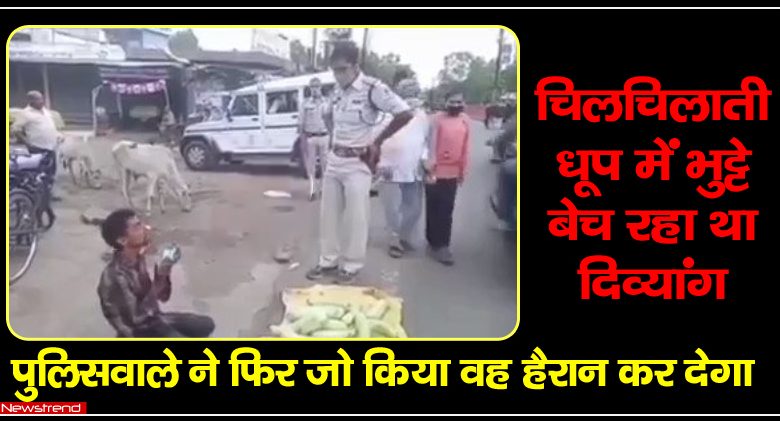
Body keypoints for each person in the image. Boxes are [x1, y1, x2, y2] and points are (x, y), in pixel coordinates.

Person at [306, 41, 413, 283]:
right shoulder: (336, 90)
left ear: (355, 67)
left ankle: (351, 266)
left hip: (358, 161)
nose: (338, 74)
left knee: (356, 217)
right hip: (335, 158)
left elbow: (405, 113)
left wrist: (377, 142)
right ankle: (328, 261)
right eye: (335, 70)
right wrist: (333, 137)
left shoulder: (372, 88)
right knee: (328, 215)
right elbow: (328, 115)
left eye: (342, 69)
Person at [98, 209, 215, 338]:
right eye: (137, 227)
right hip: (138, 331)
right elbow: (136, 320)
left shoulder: (137, 259)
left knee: (205, 325)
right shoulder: (116, 277)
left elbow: (161, 297)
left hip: (153, 319)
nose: (146, 228)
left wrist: (165, 268)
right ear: (122, 240)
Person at [377, 78, 430, 258]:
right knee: (393, 208)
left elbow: (425, 141)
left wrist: (424, 160)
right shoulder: (388, 114)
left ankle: (403, 236)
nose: (412, 96)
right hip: (389, 167)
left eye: (414, 92)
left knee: (414, 208)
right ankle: (395, 241)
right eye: (407, 92)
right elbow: (378, 138)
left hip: (414, 168)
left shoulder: (422, 115)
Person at [424, 89, 471, 266]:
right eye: (452, 101)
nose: (456, 105)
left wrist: (463, 171)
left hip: (452, 171)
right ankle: (432, 241)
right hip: (434, 169)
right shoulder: (436, 120)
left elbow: (466, 147)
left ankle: (443, 246)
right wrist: (430, 168)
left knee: (446, 209)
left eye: (460, 102)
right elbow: (430, 144)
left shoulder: (465, 121)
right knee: (433, 206)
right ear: (445, 103)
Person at [10, 91, 61, 198]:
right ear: (31, 101)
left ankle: (48, 193)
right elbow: (15, 130)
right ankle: (37, 195)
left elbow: (50, 126)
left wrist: (57, 135)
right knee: (39, 174)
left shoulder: (45, 111)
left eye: (42, 99)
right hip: (37, 148)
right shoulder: (25, 114)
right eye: (38, 99)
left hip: (51, 147)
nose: (42, 101)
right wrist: (27, 143)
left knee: (51, 172)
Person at [299, 77, 331, 200]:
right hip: (311, 137)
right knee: (311, 166)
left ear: (321, 87)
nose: (315, 89)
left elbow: (331, 121)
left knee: (325, 165)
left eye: (317, 86)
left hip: (324, 136)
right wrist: (302, 140)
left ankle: (323, 190)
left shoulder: (327, 102)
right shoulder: (305, 103)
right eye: (312, 87)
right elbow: (301, 122)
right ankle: (312, 190)